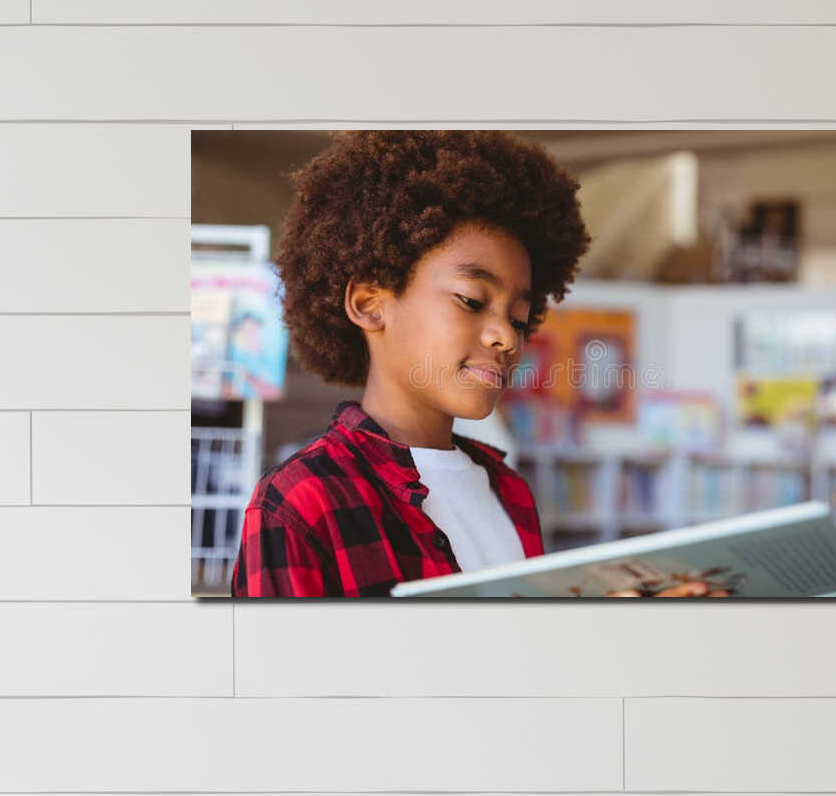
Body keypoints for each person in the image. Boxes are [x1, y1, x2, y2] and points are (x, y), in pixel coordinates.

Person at [232, 130, 591, 597]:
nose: (505, 336)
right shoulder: (301, 504)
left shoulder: (511, 494)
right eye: (471, 300)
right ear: (369, 303)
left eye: (520, 320)